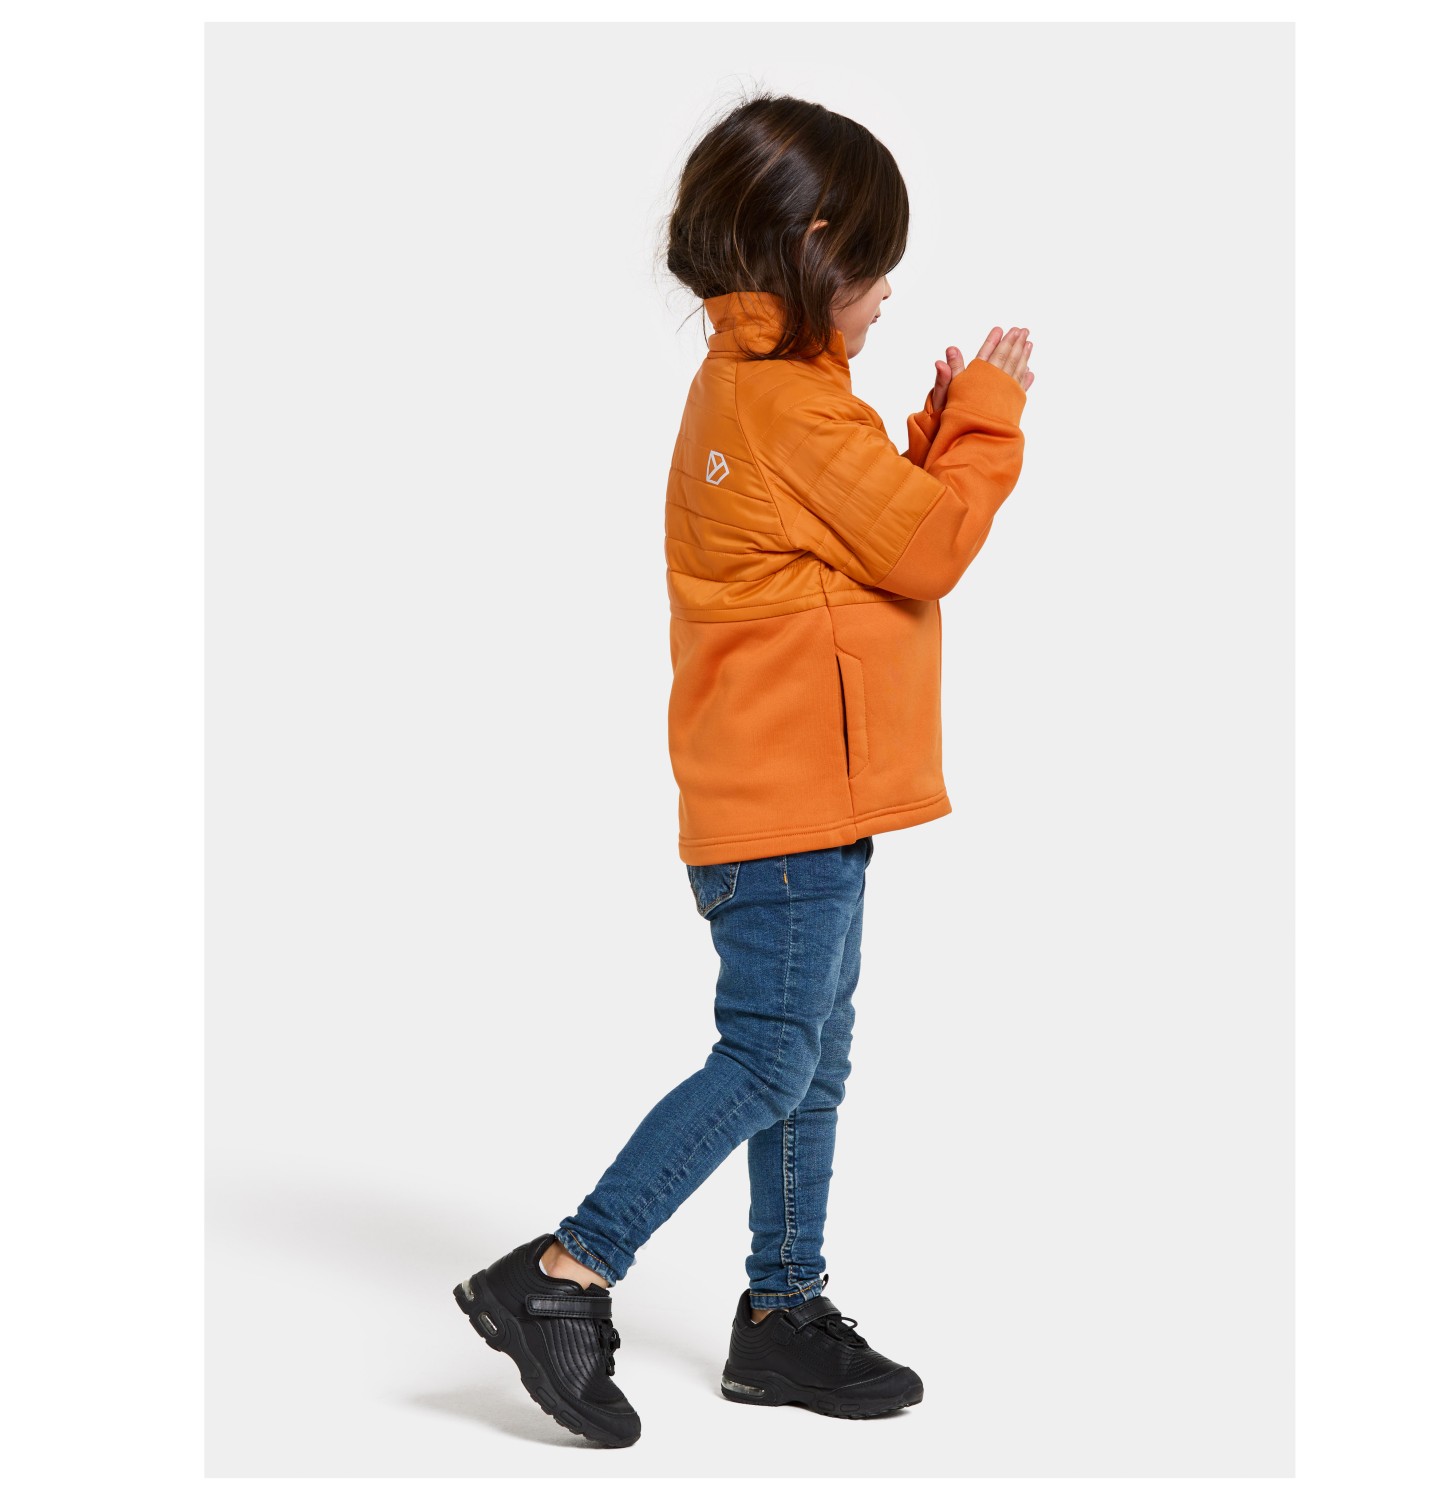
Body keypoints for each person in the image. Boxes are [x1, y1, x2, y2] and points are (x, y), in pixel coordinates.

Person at [453, 91, 1033, 1449]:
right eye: (875, 266)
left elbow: (861, 541)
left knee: (809, 1064)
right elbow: (930, 549)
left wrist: (924, 444)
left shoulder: (770, 396)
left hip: (798, 799)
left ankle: (782, 1312)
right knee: (772, 1057)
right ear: (815, 250)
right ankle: (567, 1271)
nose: (887, 295)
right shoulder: (788, 407)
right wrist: (987, 421)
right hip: (788, 804)